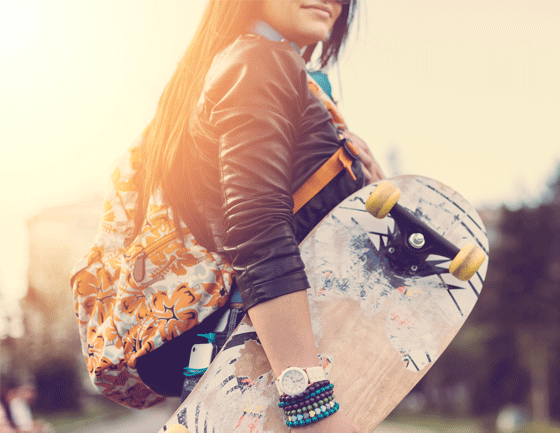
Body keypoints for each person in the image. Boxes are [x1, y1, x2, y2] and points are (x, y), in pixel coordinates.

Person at [130, 0, 383, 431]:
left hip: (258, 368)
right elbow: (257, 230)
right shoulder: (258, 60)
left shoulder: (250, 63)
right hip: (269, 378)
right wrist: (309, 401)